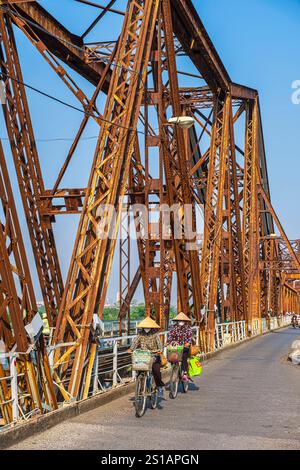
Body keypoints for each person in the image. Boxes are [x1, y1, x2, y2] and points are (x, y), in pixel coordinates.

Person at [130, 316, 165, 398]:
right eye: (145, 326)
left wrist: (160, 350)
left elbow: (160, 344)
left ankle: (159, 386)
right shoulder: (140, 333)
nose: (146, 328)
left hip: (154, 355)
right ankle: (141, 387)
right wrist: (131, 349)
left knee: (156, 371)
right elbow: (135, 341)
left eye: (148, 326)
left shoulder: (155, 334)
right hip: (143, 356)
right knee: (139, 369)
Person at [166, 312, 193, 381]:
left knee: (184, 357)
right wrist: (167, 342)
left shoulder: (188, 328)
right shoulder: (173, 328)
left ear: (185, 321)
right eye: (180, 320)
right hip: (175, 346)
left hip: (184, 347)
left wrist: (188, 343)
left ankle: (184, 373)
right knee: (171, 356)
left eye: (182, 320)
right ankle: (175, 369)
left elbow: (189, 337)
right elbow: (170, 336)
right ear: (177, 321)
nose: (181, 322)